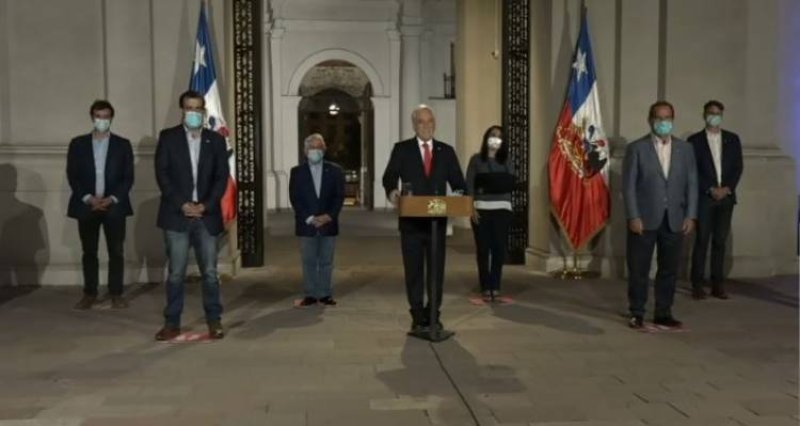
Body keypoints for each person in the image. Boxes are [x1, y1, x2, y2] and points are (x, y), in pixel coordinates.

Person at [382, 105, 467, 334]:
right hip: (411, 223)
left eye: (430, 121)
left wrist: (460, 196)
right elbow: (389, 177)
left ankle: (433, 315)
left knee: (436, 272)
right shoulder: (402, 149)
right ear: (414, 125)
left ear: (434, 124)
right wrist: (393, 193)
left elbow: (458, 182)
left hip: (436, 224)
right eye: (421, 121)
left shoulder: (446, 151)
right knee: (414, 272)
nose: (426, 126)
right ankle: (418, 315)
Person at [154, 90, 229, 341]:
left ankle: (214, 320)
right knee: (176, 273)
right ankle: (172, 323)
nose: (193, 113)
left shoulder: (215, 140)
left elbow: (221, 177)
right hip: (177, 215)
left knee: (210, 273)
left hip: (207, 216)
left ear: (203, 111)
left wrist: (205, 205)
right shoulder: (168, 138)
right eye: (189, 108)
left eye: (198, 108)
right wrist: (182, 204)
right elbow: (163, 175)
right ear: (182, 110)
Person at [622, 100, 697, 329]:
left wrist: (690, 215)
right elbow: (628, 186)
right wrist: (633, 216)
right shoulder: (637, 148)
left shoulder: (685, 149)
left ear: (673, 120)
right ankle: (637, 312)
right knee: (639, 269)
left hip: (674, 219)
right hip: (644, 219)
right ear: (650, 120)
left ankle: (663, 312)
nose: (663, 122)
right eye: (659, 118)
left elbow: (692, 184)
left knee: (669, 269)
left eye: (667, 118)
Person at [67, 100, 134, 310]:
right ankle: (90, 293)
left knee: (116, 252)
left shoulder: (122, 145)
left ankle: (116, 293)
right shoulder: (78, 144)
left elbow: (128, 177)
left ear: (111, 118)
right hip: (87, 206)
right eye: (98, 116)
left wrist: (112, 198)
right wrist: (89, 198)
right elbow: (73, 175)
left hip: (114, 206)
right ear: (92, 117)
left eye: (106, 117)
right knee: (89, 251)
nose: (102, 120)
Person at [688, 100, 743, 300]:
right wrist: (710, 189)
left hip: (726, 198)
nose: (714, 116)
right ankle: (697, 284)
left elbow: (738, 166)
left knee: (720, 241)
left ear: (722, 115)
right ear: (704, 115)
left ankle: (717, 284)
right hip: (705, 197)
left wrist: (727, 188)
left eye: (717, 113)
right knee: (702, 240)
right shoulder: (694, 141)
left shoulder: (732, 139)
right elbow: (692, 170)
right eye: (711, 113)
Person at [289, 133, 345, 307]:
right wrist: (310, 218)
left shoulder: (335, 171)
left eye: (319, 147)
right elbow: (295, 198)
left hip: (329, 223)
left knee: (327, 261)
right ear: (305, 151)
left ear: (324, 150)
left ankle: (325, 294)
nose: (316, 151)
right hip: (307, 224)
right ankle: (311, 294)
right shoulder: (297, 172)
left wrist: (329, 216)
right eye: (312, 147)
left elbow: (339, 196)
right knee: (309, 261)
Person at [465, 125, 515, 301]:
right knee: (483, 249)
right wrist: (471, 208)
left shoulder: (506, 160)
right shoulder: (476, 160)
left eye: (499, 136)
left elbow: (510, 183)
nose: (495, 138)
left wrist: (490, 184)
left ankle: (495, 286)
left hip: (502, 209)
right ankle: (485, 286)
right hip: (481, 210)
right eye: (493, 135)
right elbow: (470, 185)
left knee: (498, 249)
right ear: (487, 138)